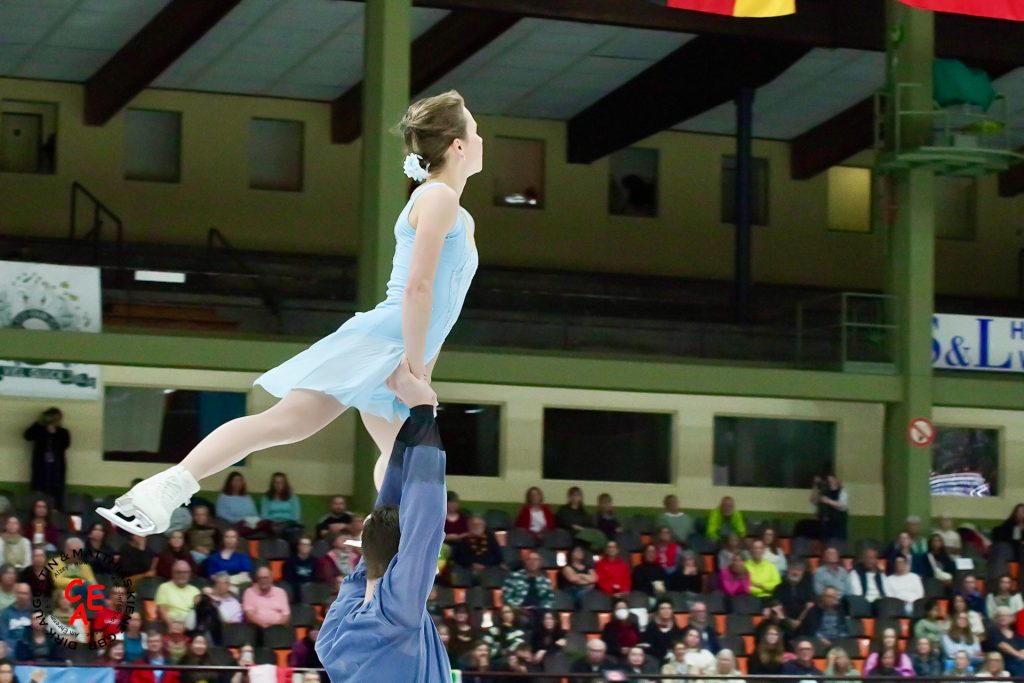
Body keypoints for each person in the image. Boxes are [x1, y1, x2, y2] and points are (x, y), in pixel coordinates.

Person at [99, 91, 482, 536]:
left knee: (401, 457)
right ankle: (166, 486)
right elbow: (419, 290)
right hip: (386, 339)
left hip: (405, 346)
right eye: (474, 130)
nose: (480, 139)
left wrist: (423, 372)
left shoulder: (455, 210)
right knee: (290, 423)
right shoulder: (437, 198)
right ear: (457, 145)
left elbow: (441, 308)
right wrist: (414, 373)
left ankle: (385, 544)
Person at [314, 382, 458, 682]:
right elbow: (418, 528)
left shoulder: (339, 628)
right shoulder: (390, 612)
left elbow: (415, 528)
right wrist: (420, 420)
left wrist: (420, 421)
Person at [24, 407, 70, 508]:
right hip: (40, 468)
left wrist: (54, 433)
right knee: (38, 493)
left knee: (56, 493)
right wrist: (39, 423)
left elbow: (65, 445)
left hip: (56, 469)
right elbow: (27, 436)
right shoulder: (39, 430)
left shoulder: (63, 432)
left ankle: (56, 511)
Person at [154, 560, 201, 630]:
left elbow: (199, 612)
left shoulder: (195, 590)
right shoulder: (164, 587)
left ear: (190, 574)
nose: (182, 575)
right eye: (178, 572)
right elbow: (162, 610)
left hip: (191, 627)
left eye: (185, 572)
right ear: (172, 573)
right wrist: (172, 626)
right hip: (171, 624)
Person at [242, 566, 290, 631]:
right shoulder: (249, 592)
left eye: (266, 578)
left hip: (278, 630)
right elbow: (250, 615)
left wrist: (276, 628)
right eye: (260, 578)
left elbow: (286, 615)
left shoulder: (281, 592)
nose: (263, 581)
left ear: (271, 578)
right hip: (258, 629)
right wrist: (265, 627)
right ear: (257, 579)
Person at [260, 472, 303, 539]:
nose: (278, 485)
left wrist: (283, 523)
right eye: (276, 482)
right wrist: (274, 522)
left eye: (281, 482)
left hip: (289, 524)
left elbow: (295, 516)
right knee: (270, 531)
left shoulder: (293, 497)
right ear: (272, 484)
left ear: (285, 484)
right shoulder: (266, 498)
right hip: (272, 524)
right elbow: (264, 516)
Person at [984, 607, 1024, 676]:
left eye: (1006, 615)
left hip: (1017, 661)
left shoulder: (1016, 632)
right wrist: (1019, 655)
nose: (1002, 618)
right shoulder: (992, 630)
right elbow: (1003, 645)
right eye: (1000, 615)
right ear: (996, 618)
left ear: (1011, 618)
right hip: (1001, 661)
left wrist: (1022, 654)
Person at [642, 598, 683, 662]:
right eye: (662, 608)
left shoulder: (676, 629)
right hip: (654, 660)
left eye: (669, 608)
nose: (666, 611)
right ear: (658, 611)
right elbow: (648, 648)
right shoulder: (650, 628)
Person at [810, 474, 848, 540]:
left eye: (832, 480)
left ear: (836, 480)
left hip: (838, 523)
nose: (831, 482)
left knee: (837, 542)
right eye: (829, 481)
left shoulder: (842, 491)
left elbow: (842, 505)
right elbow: (814, 501)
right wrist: (816, 486)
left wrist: (827, 501)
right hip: (823, 522)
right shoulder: (824, 491)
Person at [0, 585, 32, 654]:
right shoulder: (6, 613)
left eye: (25, 593)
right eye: (19, 593)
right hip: (11, 650)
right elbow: (4, 637)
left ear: (30, 595)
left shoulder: (34, 612)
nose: (22, 596)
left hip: (30, 649)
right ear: (15, 594)